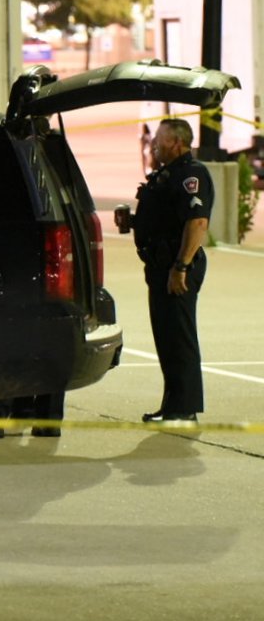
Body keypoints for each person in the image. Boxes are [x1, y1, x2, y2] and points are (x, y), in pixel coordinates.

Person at [114, 118, 213, 424]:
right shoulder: (166, 175)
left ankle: (183, 408)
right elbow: (164, 219)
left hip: (176, 266)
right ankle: (173, 405)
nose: (154, 144)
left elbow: (197, 223)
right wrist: (131, 221)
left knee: (178, 337)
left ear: (178, 143)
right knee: (167, 337)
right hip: (161, 265)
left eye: (160, 139)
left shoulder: (191, 175)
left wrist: (181, 266)